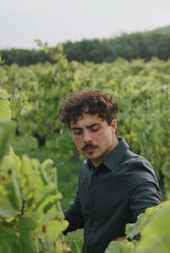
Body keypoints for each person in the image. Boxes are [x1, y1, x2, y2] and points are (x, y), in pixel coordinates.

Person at [60, 89, 162, 253]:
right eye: (78, 131)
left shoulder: (136, 173)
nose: (86, 138)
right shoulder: (88, 167)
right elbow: (77, 215)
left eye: (94, 128)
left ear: (112, 126)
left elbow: (152, 231)